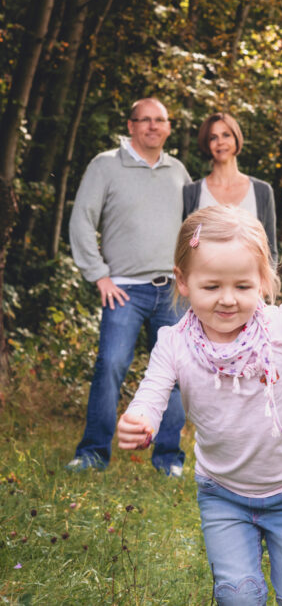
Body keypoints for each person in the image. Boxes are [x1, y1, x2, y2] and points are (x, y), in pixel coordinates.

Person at [116, 205, 282, 605]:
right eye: (211, 287)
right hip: (222, 493)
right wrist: (140, 420)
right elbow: (152, 393)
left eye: (242, 286)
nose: (227, 300)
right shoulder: (174, 342)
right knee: (237, 596)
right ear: (184, 280)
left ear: (262, 280)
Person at [67, 97, 190, 476]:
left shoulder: (178, 171)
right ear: (131, 125)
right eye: (145, 120)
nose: (153, 126)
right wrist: (98, 274)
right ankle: (92, 454)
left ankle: (168, 460)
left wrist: (192, 278)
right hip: (123, 289)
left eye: (160, 120)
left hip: (171, 290)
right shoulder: (105, 165)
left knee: (174, 374)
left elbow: (193, 230)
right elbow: (82, 220)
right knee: (111, 366)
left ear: (168, 127)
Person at [183, 112, 277, 263]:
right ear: (207, 144)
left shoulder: (262, 191)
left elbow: (270, 251)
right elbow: (186, 248)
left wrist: (267, 286)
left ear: (236, 138)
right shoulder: (191, 193)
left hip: (250, 283)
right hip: (206, 282)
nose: (220, 142)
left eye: (226, 135)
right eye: (213, 138)